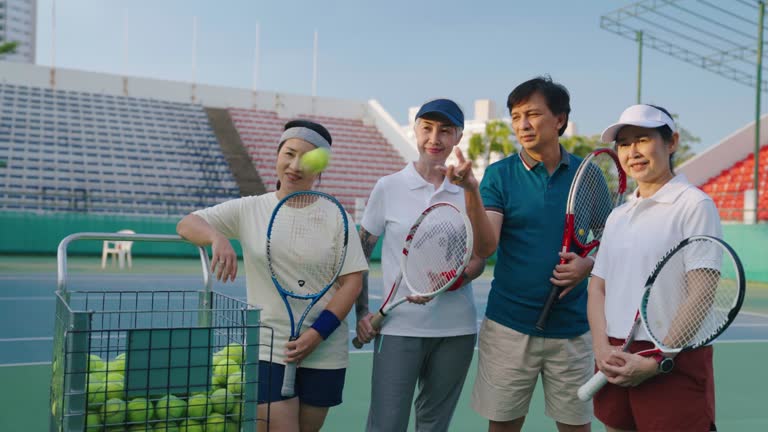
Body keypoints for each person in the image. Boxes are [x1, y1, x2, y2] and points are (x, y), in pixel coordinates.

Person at [177, 119, 368, 432]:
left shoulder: (337, 216)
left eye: (307, 159)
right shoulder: (250, 209)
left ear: (320, 168)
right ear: (277, 155)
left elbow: (352, 283)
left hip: (325, 350)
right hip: (268, 347)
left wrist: (316, 334)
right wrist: (217, 238)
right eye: (289, 154)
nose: (294, 166)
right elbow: (186, 224)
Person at [446, 76, 594, 432]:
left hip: (573, 329)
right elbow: (486, 247)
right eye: (515, 116)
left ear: (559, 119)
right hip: (509, 326)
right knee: (504, 426)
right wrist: (470, 191)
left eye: (532, 114)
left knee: (576, 427)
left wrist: (587, 265)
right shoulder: (499, 175)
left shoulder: (587, 175)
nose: (522, 125)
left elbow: (607, 244)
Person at [586, 104, 721, 431]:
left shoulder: (695, 204)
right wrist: (601, 347)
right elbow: (597, 286)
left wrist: (658, 358)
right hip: (616, 353)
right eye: (624, 143)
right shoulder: (618, 215)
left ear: (671, 142)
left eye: (643, 139)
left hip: (671, 358)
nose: (633, 151)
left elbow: (702, 292)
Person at [354, 99, 486, 432]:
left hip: (456, 330)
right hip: (399, 327)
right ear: (414, 131)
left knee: (433, 425)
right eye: (427, 128)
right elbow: (360, 254)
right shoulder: (388, 187)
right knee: (386, 424)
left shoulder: (469, 190)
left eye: (445, 130)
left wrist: (453, 280)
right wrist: (361, 315)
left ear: (458, 136)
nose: (435, 138)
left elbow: (479, 258)